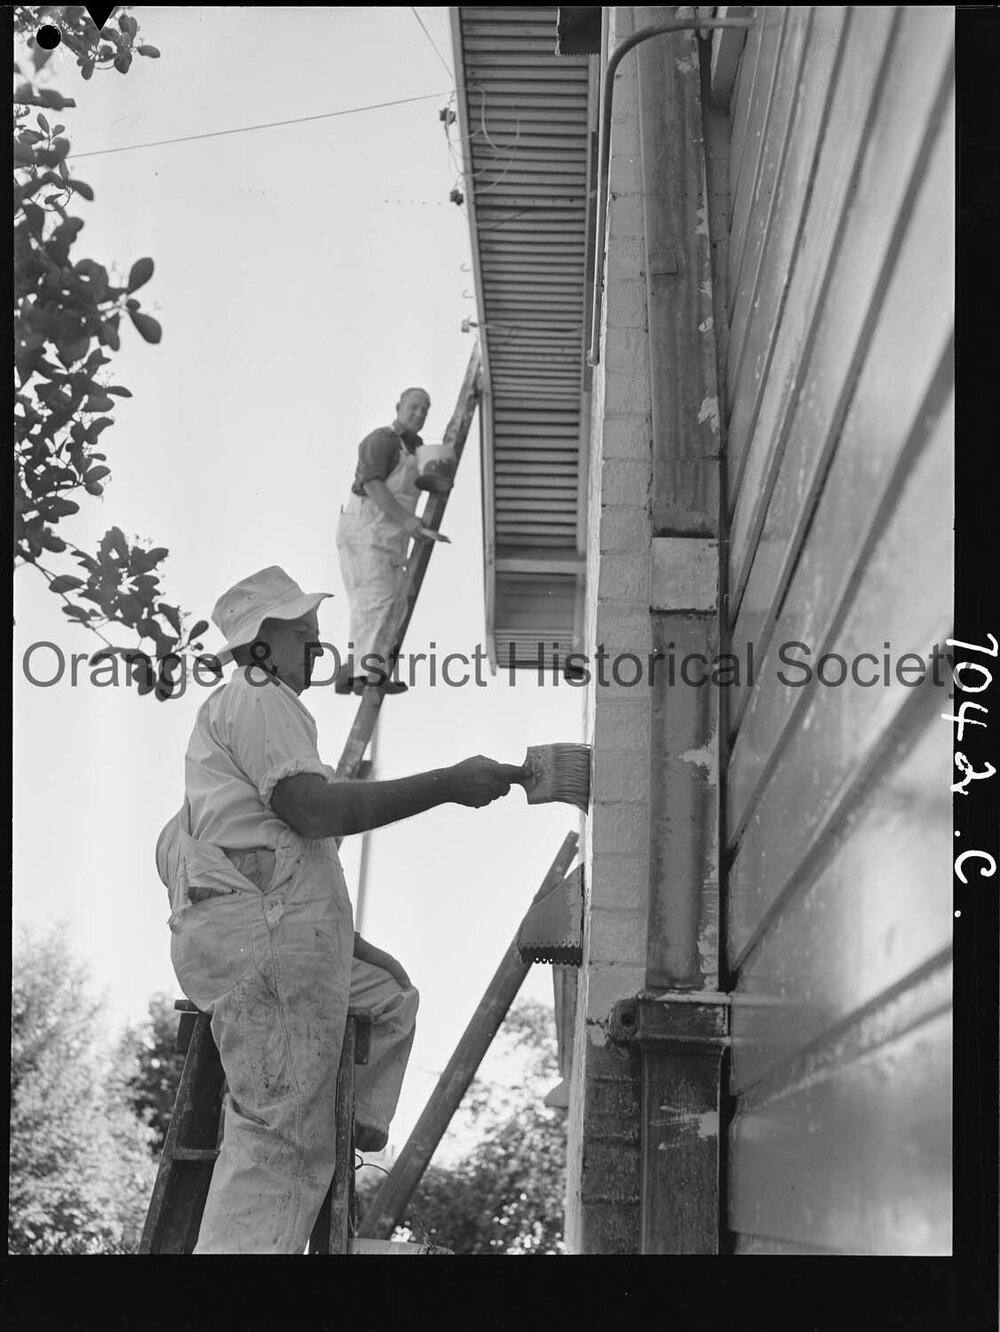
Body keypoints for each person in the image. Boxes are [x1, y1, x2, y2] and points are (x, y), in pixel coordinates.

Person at [155, 566, 515, 1254]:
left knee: (390, 998)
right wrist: (445, 784)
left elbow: (274, 860)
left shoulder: (236, 725)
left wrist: (353, 944)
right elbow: (310, 811)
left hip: (274, 938)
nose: (317, 653)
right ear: (262, 642)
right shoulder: (259, 695)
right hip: (264, 950)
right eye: (306, 637)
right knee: (278, 1147)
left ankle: (350, 1127)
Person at [334, 386, 448, 695]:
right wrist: (407, 519)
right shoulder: (381, 441)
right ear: (398, 406)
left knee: (393, 602)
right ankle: (365, 675)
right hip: (365, 533)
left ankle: (357, 671)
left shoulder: (417, 449)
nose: (419, 414)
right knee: (375, 602)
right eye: (414, 407)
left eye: (425, 409)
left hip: (390, 539)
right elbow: (372, 485)